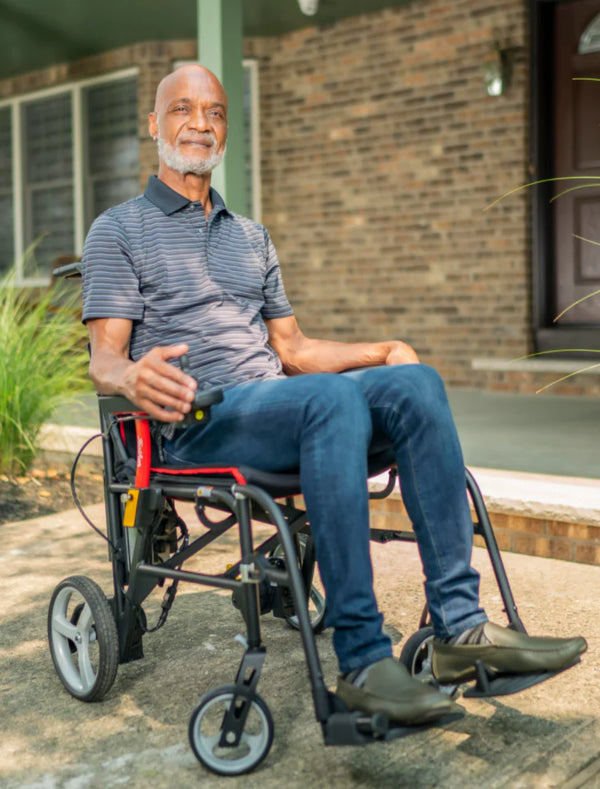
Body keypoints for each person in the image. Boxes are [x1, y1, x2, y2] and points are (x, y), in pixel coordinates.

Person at [81, 64, 586, 726]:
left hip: (280, 409)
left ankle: (460, 632)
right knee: (332, 400)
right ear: (154, 124)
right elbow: (104, 356)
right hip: (197, 419)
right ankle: (362, 659)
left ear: (226, 127)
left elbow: (292, 351)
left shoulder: (251, 236)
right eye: (181, 109)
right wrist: (130, 377)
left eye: (214, 111)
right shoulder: (118, 230)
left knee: (415, 382)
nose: (199, 122)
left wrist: (381, 350)